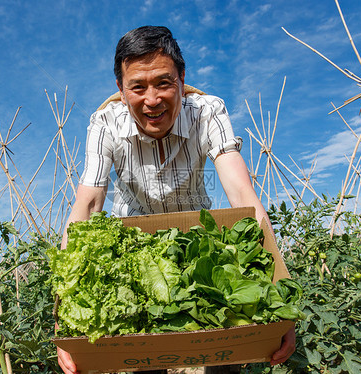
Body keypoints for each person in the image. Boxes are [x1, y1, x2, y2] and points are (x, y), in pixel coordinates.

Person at [57, 25, 295, 374]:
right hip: (134, 247)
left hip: (195, 242)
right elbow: (89, 205)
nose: (151, 100)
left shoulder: (207, 111)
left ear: (182, 80)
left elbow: (243, 195)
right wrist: (66, 321)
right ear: (121, 92)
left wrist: (281, 305)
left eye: (163, 83)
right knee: (145, 354)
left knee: (226, 347)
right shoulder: (105, 124)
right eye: (137, 86)